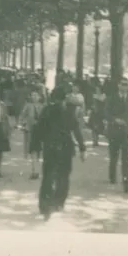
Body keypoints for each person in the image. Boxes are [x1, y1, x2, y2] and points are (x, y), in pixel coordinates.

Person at [34, 87, 86, 220]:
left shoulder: (47, 110)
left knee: (48, 176)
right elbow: (76, 130)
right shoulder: (69, 111)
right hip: (65, 148)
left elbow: (39, 129)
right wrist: (82, 148)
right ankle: (58, 202)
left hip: (50, 148)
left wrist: (37, 146)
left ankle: (45, 205)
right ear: (64, 98)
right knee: (63, 177)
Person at [105, 78, 128, 193]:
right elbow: (106, 113)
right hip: (114, 131)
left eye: (127, 85)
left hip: (126, 132)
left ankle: (127, 181)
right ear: (118, 86)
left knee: (126, 157)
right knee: (114, 156)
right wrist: (114, 120)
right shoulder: (112, 98)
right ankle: (112, 175)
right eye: (122, 84)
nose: (124, 87)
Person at [20, 88, 45, 179]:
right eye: (33, 95)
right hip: (31, 130)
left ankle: (37, 170)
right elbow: (22, 116)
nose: (34, 97)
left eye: (36, 95)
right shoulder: (28, 106)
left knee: (39, 150)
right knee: (32, 150)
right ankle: (34, 170)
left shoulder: (43, 106)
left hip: (40, 130)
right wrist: (24, 124)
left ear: (39, 97)